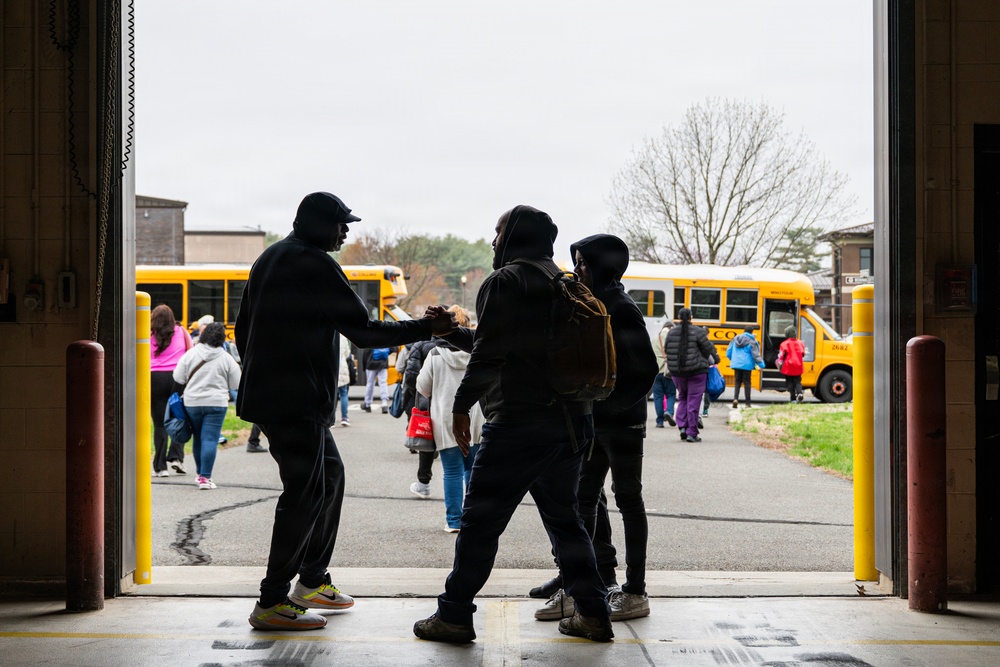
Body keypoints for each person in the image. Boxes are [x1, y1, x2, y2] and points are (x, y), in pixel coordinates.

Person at [235, 191, 455, 631]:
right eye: (341, 224)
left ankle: (312, 580)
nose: (346, 231)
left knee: (329, 478)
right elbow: (363, 329)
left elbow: (243, 328)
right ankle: (273, 599)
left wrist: (264, 376)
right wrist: (427, 327)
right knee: (304, 493)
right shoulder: (314, 262)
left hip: (275, 397)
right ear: (315, 224)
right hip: (295, 401)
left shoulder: (271, 258)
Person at [413, 205, 613, 644]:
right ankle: (594, 614)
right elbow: (506, 345)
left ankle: (454, 615)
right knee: (567, 522)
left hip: (521, 425)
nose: (493, 241)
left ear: (516, 236)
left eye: (498, 231)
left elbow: (490, 355)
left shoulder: (505, 282)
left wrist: (461, 406)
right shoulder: (563, 284)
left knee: (480, 522)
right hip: (572, 424)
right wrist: (451, 331)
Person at [532, 234, 658, 623]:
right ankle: (581, 586)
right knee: (581, 502)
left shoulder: (621, 307)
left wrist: (609, 405)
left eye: (583, 263)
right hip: (593, 421)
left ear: (601, 267)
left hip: (622, 424)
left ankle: (635, 591)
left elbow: (647, 369)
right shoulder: (591, 303)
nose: (577, 270)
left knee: (628, 500)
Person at [415, 305, 483, 533]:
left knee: (451, 470)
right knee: (471, 468)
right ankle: (473, 519)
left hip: (445, 417)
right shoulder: (478, 351)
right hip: (474, 417)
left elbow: (422, 387)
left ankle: (454, 521)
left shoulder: (435, 354)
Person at [172, 322, 242, 490]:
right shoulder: (226, 358)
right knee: (210, 439)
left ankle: (199, 474)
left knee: (198, 437)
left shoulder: (191, 354)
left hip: (193, 402)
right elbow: (236, 383)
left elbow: (178, 377)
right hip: (217, 403)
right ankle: (206, 477)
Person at [665, 307, 720, 443]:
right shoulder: (698, 331)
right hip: (697, 372)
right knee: (694, 401)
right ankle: (692, 432)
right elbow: (708, 349)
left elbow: (666, 349)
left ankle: (682, 428)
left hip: (677, 372)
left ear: (678, 317)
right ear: (691, 317)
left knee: (682, 397)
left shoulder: (671, 333)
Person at [150, 304, 193, 476]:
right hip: (177, 378)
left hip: (154, 379)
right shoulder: (182, 332)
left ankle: (160, 468)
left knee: (160, 424)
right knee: (179, 417)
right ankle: (176, 457)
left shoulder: (148, 334)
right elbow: (190, 353)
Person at [403, 335, 445, 498]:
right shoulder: (463, 344)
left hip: (428, 400)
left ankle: (423, 483)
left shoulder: (420, 346)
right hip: (456, 401)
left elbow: (412, 376)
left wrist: (416, 399)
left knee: (427, 441)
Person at [726, 325, 766, 409]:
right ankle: (747, 403)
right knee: (747, 382)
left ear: (744, 331)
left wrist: (733, 359)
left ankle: (735, 399)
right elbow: (755, 354)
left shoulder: (735, 339)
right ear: (751, 332)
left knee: (737, 381)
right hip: (747, 366)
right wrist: (761, 365)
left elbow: (728, 352)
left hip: (736, 364)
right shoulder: (752, 341)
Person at [650, 320, 677, 428]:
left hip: (656, 371)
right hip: (669, 371)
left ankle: (659, 421)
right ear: (671, 328)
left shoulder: (654, 340)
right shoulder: (673, 339)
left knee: (658, 397)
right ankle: (669, 412)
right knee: (671, 394)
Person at [778, 325, 806, 402]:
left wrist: (779, 363)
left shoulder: (784, 344)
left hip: (788, 366)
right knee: (797, 381)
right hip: (798, 365)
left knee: (789, 381)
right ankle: (800, 393)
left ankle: (793, 398)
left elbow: (781, 356)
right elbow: (803, 354)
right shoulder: (801, 343)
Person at [362, 346, 391, 413]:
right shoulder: (385, 336)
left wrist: (364, 367)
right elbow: (393, 348)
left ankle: (367, 403)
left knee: (370, 384)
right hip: (383, 363)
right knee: (383, 383)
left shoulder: (369, 337)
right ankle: (384, 403)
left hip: (371, 363)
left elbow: (365, 352)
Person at [336, 334, 353, 427]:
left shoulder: (328, 334)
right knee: (343, 393)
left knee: (333, 395)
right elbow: (347, 354)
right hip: (342, 368)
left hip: (332, 368)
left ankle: (331, 419)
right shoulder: (343, 338)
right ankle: (344, 417)